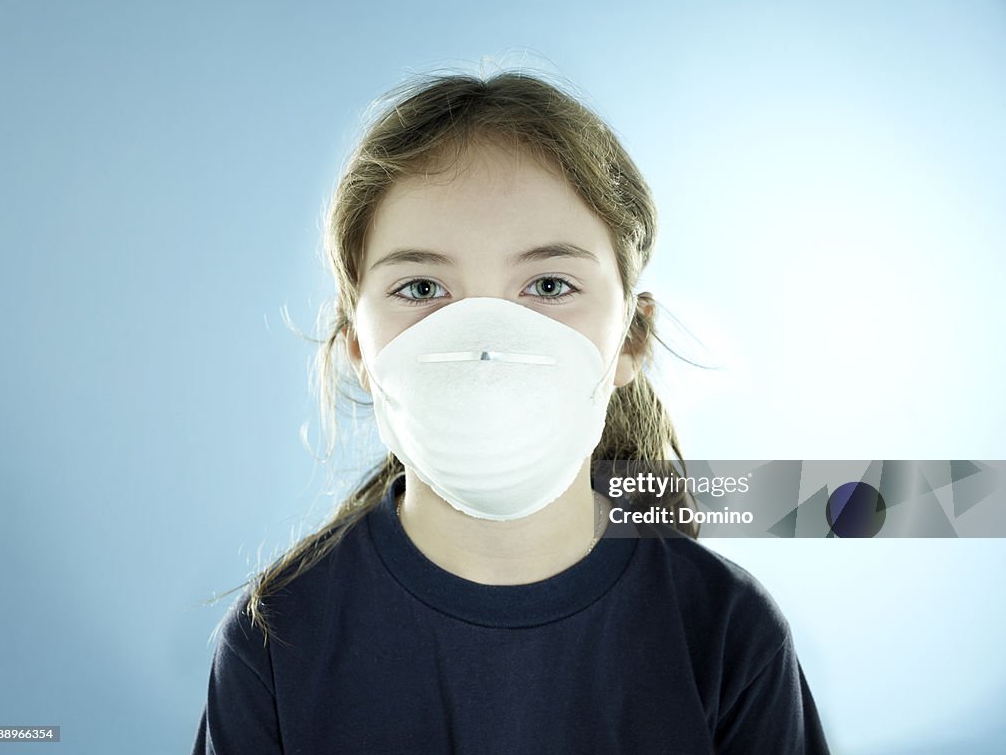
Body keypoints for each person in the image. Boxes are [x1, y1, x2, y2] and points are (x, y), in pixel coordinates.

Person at [191, 68, 831, 754]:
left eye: (549, 285)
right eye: (423, 286)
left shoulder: (726, 631)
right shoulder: (282, 635)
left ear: (630, 339)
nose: (485, 340)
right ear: (356, 344)